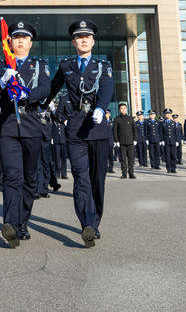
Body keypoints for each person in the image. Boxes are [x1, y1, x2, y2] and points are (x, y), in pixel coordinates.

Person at [46, 19, 114, 248]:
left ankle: (96, 220)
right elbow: (52, 88)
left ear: (93, 41)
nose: (84, 40)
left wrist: (100, 109)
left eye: (88, 36)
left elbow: (106, 89)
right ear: (73, 41)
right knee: (81, 177)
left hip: (97, 128)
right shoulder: (66, 66)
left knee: (97, 180)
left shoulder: (103, 66)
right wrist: (39, 102)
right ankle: (87, 223)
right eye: (79, 37)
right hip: (75, 128)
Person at [0, 20, 51, 248]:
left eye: (25, 38)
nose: (20, 41)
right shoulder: (2, 64)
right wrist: (3, 80)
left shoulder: (40, 65)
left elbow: (45, 88)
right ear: (9, 41)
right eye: (16, 38)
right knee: (12, 176)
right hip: (9, 127)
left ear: (30, 42)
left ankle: (23, 222)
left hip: (31, 125)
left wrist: (27, 95)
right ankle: (10, 224)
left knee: (29, 178)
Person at [112, 102, 136, 178]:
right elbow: (115, 131)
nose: (123, 110)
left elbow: (134, 130)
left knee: (131, 159)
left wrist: (135, 139)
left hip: (130, 142)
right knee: (122, 159)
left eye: (125, 108)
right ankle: (124, 174)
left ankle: (131, 173)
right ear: (119, 110)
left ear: (127, 109)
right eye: (122, 108)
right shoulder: (116, 119)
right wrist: (116, 141)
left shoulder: (130, 118)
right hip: (121, 142)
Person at [161, 109, 178, 174]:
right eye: (166, 114)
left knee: (173, 155)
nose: (168, 115)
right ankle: (168, 168)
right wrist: (162, 140)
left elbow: (176, 132)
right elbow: (161, 132)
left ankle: (174, 168)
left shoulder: (173, 123)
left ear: (171, 115)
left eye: (169, 114)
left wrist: (177, 140)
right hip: (166, 141)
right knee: (167, 155)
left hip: (173, 141)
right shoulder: (163, 123)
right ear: (165, 115)